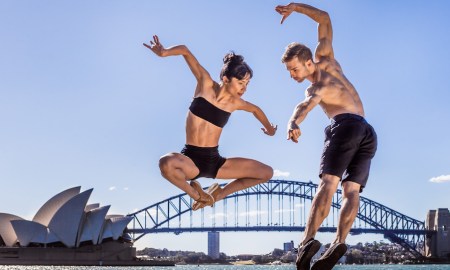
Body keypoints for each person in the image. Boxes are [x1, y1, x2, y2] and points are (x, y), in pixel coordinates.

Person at [275, 3, 377, 270]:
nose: (292, 75)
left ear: (308, 62)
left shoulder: (316, 88)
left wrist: (292, 122)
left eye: (294, 69)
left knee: (328, 183)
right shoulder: (328, 57)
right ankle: (338, 242)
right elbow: (324, 18)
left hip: (344, 126)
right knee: (351, 190)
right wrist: (294, 8)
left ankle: (306, 242)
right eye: (288, 72)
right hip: (367, 130)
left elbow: (304, 107)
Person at [143, 35, 277, 211]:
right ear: (226, 79)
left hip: (215, 162)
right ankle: (197, 195)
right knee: (165, 163)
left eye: (247, 83)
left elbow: (256, 110)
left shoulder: (235, 103)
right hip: (190, 161)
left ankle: (218, 194)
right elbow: (185, 50)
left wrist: (270, 129)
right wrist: (164, 52)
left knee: (266, 173)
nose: (244, 88)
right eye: (241, 82)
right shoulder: (205, 84)